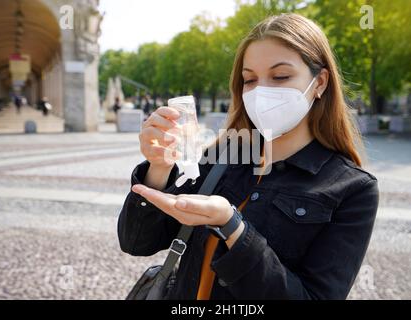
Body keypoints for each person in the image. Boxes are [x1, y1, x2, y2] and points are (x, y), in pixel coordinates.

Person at [118, 13, 379, 300]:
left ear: (319, 83)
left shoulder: (353, 189)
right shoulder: (222, 155)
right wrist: (159, 167)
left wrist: (233, 227)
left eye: (280, 76)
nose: (261, 92)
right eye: (250, 79)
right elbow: (136, 242)